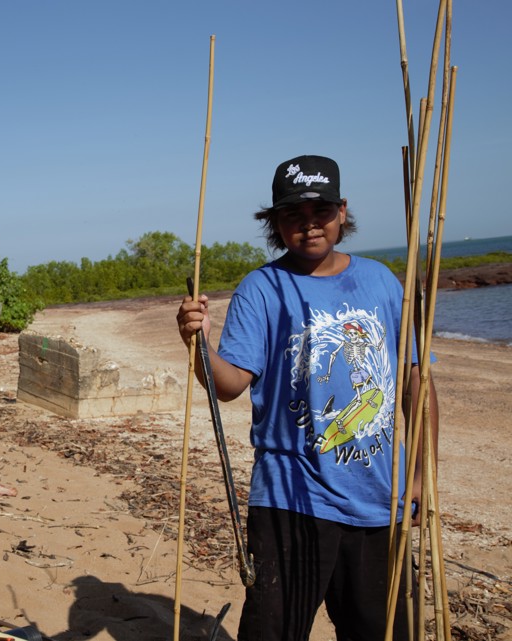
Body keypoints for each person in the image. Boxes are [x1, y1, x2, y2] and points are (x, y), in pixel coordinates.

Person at [176, 154, 438, 640]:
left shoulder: (381, 280)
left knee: (384, 631)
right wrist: (199, 345)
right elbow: (230, 385)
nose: (309, 225)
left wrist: (422, 472)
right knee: (275, 631)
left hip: (380, 497)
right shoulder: (261, 288)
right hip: (289, 498)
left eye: (320, 211)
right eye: (293, 215)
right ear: (276, 224)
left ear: (342, 211)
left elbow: (416, 384)